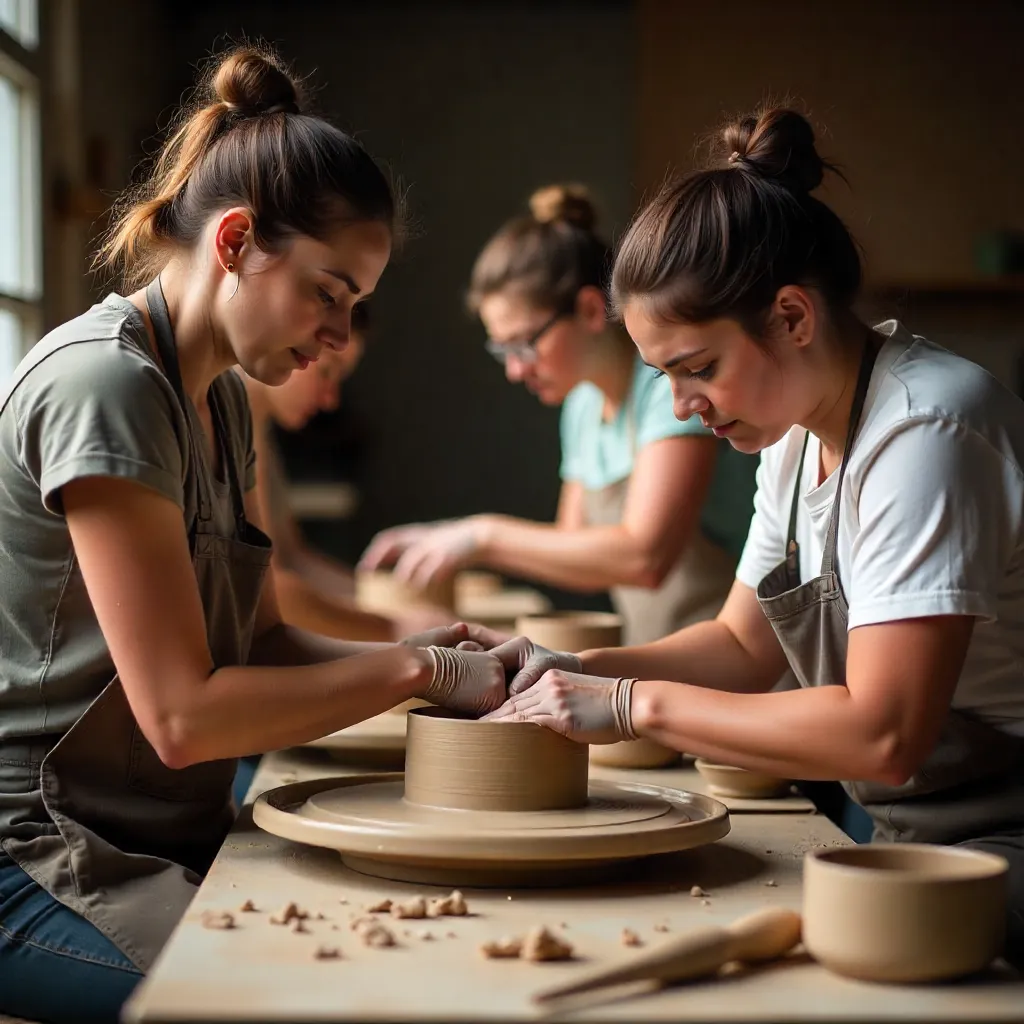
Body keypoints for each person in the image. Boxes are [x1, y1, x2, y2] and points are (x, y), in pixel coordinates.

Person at [0, 46, 508, 1023]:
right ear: (234, 241)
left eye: (354, 305)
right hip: (38, 852)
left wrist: (423, 648)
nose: (336, 336)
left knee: (411, 959)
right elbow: (183, 717)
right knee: (283, 1002)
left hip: (155, 830)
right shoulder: (102, 387)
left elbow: (263, 638)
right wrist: (415, 675)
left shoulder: (221, 399)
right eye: (328, 292)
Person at [484, 107, 1024, 964]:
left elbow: (887, 734)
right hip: (906, 827)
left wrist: (629, 705)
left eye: (699, 368)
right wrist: (571, 668)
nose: (682, 406)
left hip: (1003, 836)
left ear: (793, 316)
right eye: (664, 375)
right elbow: (742, 645)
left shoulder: (926, 433)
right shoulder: (799, 435)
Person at [361, 185, 759, 644]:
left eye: (525, 344)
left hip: (742, 665)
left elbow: (644, 558)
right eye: (502, 350)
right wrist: (453, 540)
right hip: (662, 659)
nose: (514, 370)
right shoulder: (583, 405)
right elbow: (579, 557)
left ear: (590, 310)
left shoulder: (671, 389)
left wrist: (481, 536)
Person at [242, 302, 453, 642]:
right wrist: (394, 625)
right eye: (327, 371)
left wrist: (389, 601)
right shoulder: (220, 417)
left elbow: (292, 558)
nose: (331, 400)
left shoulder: (257, 429)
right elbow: (264, 587)